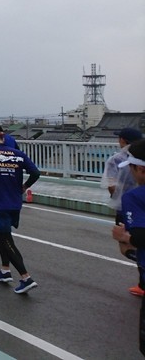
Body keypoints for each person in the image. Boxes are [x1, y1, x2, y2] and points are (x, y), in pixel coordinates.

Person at [0, 127, 41, 294]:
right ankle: (5, 270)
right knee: (0, 234)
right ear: (2, 139)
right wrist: (25, 186)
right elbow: (35, 172)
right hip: (14, 202)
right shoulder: (17, 154)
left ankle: (26, 278)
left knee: (5, 239)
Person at [111, 140, 145, 354]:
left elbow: (140, 236)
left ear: (140, 169)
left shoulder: (135, 196)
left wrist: (124, 238)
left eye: (131, 169)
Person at [103, 128, 145, 296]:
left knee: (128, 245)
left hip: (127, 207)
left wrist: (124, 237)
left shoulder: (116, 159)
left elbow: (111, 185)